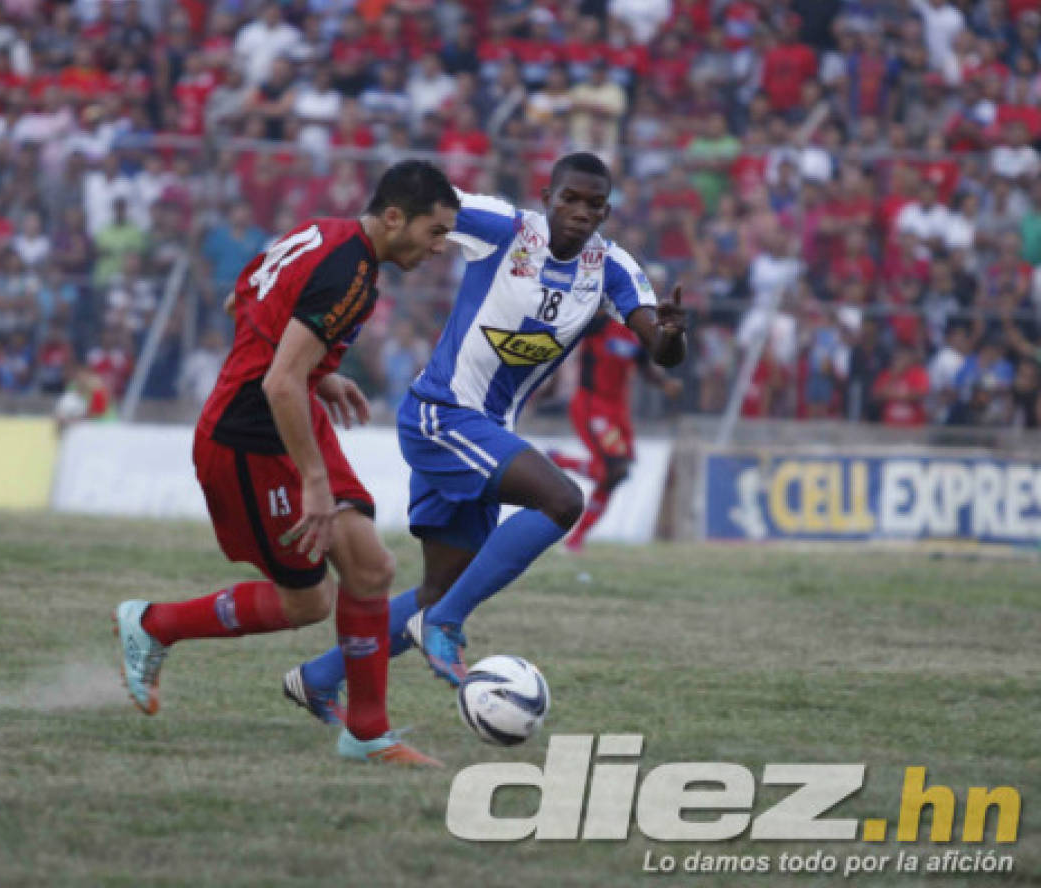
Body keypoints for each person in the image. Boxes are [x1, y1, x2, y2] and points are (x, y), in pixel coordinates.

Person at [288, 153, 685, 717]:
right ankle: (444, 626)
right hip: (441, 414)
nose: (578, 212)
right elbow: (417, 201)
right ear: (546, 196)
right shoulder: (504, 228)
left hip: (483, 433)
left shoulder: (612, 268)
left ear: (606, 211)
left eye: (593, 205)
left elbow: (659, 342)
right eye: (568, 198)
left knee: (436, 588)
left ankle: (318, 678)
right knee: (562, 498)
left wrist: (670, 336)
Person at [113, 160, 458, 767]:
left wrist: (316, 375)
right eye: (435, 233)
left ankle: (367, 733)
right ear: (396, 217)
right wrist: (316, 480)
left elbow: (238, 303)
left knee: (371, 569)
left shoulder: (320, 234)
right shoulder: (348, 271)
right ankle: (154, 623)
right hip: (250, 441)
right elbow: (276, 384)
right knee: (307, 604)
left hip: (293, 415)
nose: (439, 248)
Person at [548, 310, 683, 552]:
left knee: (616, 474)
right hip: (592, 404)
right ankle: (574, 535)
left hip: (618, 410)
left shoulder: (636, 333)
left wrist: (665, 383)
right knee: (614, 469)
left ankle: (575, 537)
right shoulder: (599, 323)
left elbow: (645, 367)